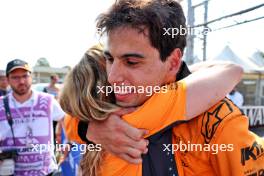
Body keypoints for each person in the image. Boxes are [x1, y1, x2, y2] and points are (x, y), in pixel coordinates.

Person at [70, 0, 263, 175]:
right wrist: (87, 127)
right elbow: (68, 116)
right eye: (110, 59)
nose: (112, 77)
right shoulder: (102, 105)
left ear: (172, 63)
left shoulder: (217, 120)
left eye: (131, 62)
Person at [60, 44, 243, 176]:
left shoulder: (83, 123)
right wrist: (171, 68)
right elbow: (231, 70)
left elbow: (68, 115)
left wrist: (85, 127)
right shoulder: (145, 113)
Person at [0, 59, 65, 176]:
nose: (21, 81)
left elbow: (66, 121)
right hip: (11, 172)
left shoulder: (48, 100)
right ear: (8, 79)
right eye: (15, 77)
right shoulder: (1, 105)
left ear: (32, 76)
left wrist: (67, 144)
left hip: (45, 172)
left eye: (25, 76)